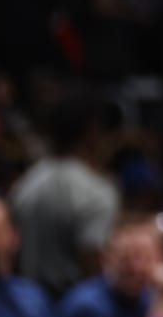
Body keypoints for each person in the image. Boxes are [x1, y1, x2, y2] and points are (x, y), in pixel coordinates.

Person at [9, 98, 120, 295]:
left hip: (28, 302)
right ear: (92, 132)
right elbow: (92, 260)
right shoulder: (96, 191)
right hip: (77, 306)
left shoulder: (25, 184)